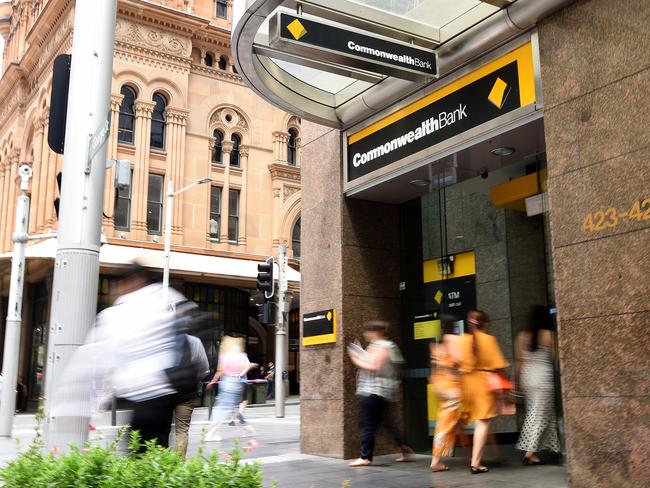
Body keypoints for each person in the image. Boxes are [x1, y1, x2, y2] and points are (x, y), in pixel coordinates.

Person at [347, 320, 414, 467]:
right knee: (386, 422)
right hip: (379, 391)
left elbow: (374, 366)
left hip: (373, 391)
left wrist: (355, 358)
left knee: (367, 425)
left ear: (374, 332)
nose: (365, 334)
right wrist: (361, 351)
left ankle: (365, 457)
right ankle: (404, 448)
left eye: (367, 332)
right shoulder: (381, 346)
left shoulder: (384, 346)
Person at [460, 310, 509, 474]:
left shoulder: (464, 340)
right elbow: (499, 365)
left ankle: (483, 456)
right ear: (486, 324)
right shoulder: (489, 340)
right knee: (483, 422)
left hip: (468, 383)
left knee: (480, 422)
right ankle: (475, 463)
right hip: (484, 382)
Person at [515, 306, 561, 464]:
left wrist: (518, 382)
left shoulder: (522, 336)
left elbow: (519, 361)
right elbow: (556, 357)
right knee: (539, 416)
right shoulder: (549, 335)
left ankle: (543, 448)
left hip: (528, 378)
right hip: (543, 378)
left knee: (538, 414)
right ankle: (529, 452)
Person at [429, 318, 463, 472]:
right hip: (452, 386)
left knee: (451, 419)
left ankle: (469, 449)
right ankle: (436, 460)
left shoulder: (435, 344)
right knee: (446, 423)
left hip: (440, 385)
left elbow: (434, 367)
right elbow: (458, 361)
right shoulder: (453, 340)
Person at [204, 336, 253, 441]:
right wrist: (241, 373)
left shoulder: (225, 356)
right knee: (231, 407)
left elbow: (220, 371)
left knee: (223, 408)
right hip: (236, 384)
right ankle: (212, 432)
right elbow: (247, 366)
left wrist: (212, 382)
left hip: (226, 383)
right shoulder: (241, 356)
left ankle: (212, 432)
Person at [173, 334, 209, 458]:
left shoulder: (161, 339)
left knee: (160, 430)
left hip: (163, 392)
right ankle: (177, 467)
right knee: (181, 431)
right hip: (186, 393)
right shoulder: (194, 341)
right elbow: (204, 369)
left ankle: (161, 467)